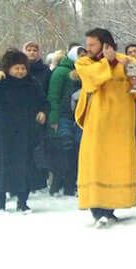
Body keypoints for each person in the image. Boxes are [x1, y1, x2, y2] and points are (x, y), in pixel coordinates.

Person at [75, 28, 136, 227]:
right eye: (88, 44)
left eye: (92, 44)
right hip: (97, 122)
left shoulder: (129, 60)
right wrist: (110, 62)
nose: (88, 48)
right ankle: (96, 209)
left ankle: (110, 209)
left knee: (117, 162)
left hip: (121, 123)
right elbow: (92, 79)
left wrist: (129, 70)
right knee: (95, 163)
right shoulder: (84, 62)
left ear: (105, 43)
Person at [0, 50, 48, 212]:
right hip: (2, 132)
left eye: (23, 68)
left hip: (26, 132)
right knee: (0, 165)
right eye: (17, 68)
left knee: (25, 166)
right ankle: (0, 201)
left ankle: (22, 201)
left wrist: (43, 112)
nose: (20, 72)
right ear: (8, 68)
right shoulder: (0, 83)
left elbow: (43, 102)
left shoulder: (32, 83)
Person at [47, 45, 83, 196]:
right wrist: (53, 118)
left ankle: (70, 184)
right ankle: (57, 184)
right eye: (80, 54)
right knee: (65, 150)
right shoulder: (61, 71)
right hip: (63, 116)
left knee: (75, 150)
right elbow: (53, 95)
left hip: (77, 116)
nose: (83, 57)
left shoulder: (83, 70)